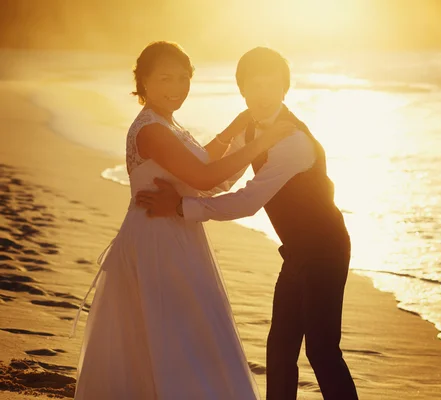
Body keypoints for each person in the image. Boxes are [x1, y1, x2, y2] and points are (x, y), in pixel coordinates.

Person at [73, 41, 294, 400]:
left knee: (184, 330)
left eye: (183, 78)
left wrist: (237, 126)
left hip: (176, 231)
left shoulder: (167, 122)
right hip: (158, 237)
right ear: (142, 81)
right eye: (165, 79)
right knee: (173, 332)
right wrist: (262, 141)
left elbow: (200, 163)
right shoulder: (150, 129)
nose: (177, 88)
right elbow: (204, 179)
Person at [136, 46, 359, 400]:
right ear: (241, 89)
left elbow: (249, 200)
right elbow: (223, 180)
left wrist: (181, 207)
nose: (263, 94)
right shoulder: (252, 131)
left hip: (327, 250)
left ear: (285, 89)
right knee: (280, 348)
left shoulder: (294, 141)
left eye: (272, 86)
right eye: (254, 85)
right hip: (298, 252)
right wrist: (187, 194)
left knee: (321, 350)